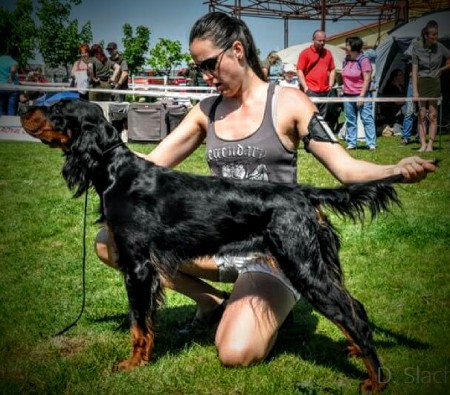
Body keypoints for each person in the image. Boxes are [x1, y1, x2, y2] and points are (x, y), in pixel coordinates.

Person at [95, 12, 436, 368]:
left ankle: (282, 300)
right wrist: (95, 139)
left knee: (235, 352)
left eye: (210, 65)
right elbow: (149, 163)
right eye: (200, 70)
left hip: (273, 247)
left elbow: (346, 168)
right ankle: (211, 300)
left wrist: (393, 170)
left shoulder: (289, 102)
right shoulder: (205, 111)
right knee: (110, 242)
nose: (207, 77)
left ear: (237, 50)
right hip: (219, 249)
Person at [411, 21, 450, 152]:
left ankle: (430, 145)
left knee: (433, 115)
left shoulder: (440, 47)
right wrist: (415, 91)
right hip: (421, 81)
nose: (436, 37)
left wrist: (443, 69)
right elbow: (414, 71)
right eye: (433, 34)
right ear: (426, 36)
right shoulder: (416, 46)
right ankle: (423, 144)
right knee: (421, 115)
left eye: (437, 34)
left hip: (434, 82)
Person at [341, 36, 377, 150]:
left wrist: (361, 97)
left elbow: (367, 79)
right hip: (347, 95)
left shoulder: (364, 60)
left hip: (361, 95)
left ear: (353, 46)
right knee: (350, 120)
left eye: (347, 44)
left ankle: (371, 143)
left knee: (366, 119)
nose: (345, 47)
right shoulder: (345, 59)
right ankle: (352, 142)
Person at [296, 30, 336, 118]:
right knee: (310, 117)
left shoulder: (328, 53)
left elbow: (332, 69)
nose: (322, 43)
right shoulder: (305, 53)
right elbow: (300, 70)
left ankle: (321, 131)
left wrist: (330, 85)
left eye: (324, 41)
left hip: (325, 91)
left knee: (323, 118)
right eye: (319, 40)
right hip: (311, 91)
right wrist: (306, 88)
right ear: (313, 40)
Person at [380, 68, 406, 135]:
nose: (402, 77)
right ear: (395, 77)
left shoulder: (402, 87)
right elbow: (396, 101)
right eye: (400, 75)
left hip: (400, 108)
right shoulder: (389, 88)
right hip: (392, 110)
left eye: (402, 75)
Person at [0, 51, 19, 116]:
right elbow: (13, 70)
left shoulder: (1, 58)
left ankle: (2, 125)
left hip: (1, 86)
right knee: (12, 107)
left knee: (1, 107)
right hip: (11, 87)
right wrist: (11, 77)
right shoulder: (13, 61)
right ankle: (10, 124)